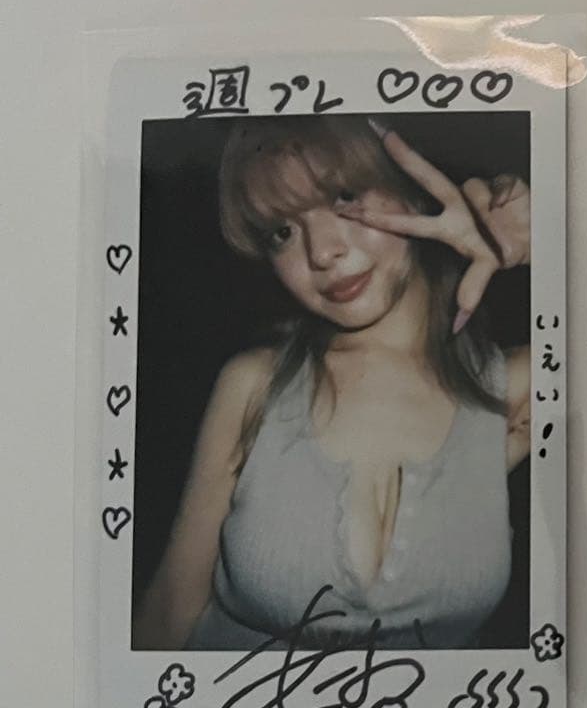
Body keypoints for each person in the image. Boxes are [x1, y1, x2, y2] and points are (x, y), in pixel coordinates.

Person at [133, 114, 531, 651]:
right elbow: (167, 616)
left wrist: (546, 239)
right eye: (282, 232)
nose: (322, 252)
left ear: (415, 190)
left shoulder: (515, 388)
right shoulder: (254, 387)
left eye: (346, 197)